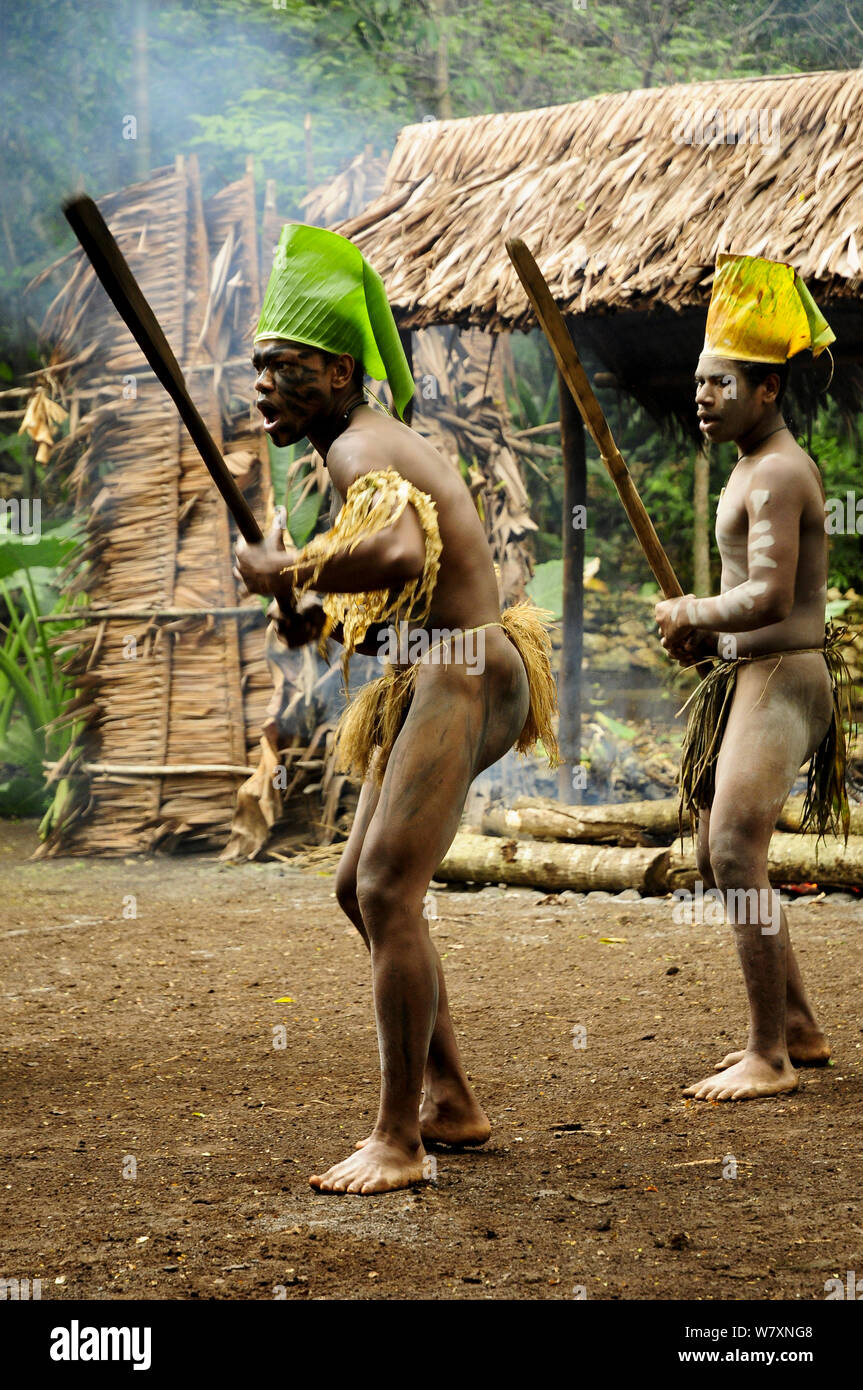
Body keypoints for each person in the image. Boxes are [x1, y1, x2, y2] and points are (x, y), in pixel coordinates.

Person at [235, 223, 558, 1191]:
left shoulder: (359, 448)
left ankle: (397, 1139)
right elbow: (389, 597)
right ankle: (449, 1097)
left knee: (385, 889)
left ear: (336, 371)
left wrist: (288, 562)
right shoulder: (360, 446)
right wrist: (306, 612)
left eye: (278, 366)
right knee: (359, 889)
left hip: (464, 669)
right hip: (445, 666)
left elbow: (403, 555)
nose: (260, 385)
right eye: (255, 366)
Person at [654, 252, 852, 1102]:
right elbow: (756, 601)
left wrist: (692, 612)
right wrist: (706, 639)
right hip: (754, 669)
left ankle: (766, 1054)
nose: (702, 396)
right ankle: (798, 1026)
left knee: (734, 851)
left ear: (766, 391)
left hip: (784, 675)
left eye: (721, 383)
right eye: (699, 382)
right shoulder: (745, 465)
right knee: (715, 848)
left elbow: (768, 593)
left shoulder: (773, 470)